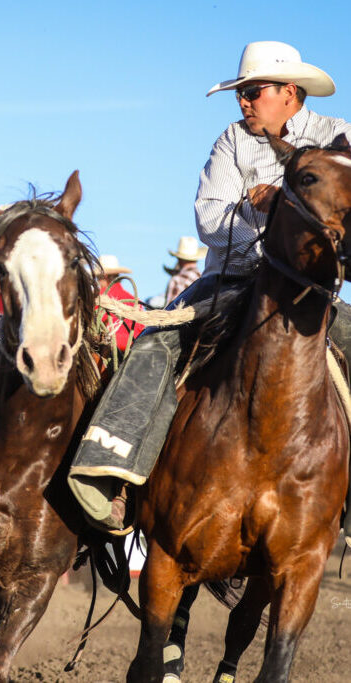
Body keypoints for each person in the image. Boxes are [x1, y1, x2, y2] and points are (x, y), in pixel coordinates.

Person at [69, 41, 351, 546]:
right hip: (235, 281)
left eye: (253, 91)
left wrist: (286, 207)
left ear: (290, 92)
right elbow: (209, 216)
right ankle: (111, 471)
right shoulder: (232, 141)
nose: (243, 102)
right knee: (155, 344)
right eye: (240, 93)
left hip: (310, 289)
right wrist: (259, 219)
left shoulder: (337, 136)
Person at [97, 255, 144, 351]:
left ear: (104, 276)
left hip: (109, 347)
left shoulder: (99, 298)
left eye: (98, 278)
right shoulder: (134, 300)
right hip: (135, 349)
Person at [163, 236, 207, 305]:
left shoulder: (176, 280)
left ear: (179, 259)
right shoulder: (204, 278)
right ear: (196, 259)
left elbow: (169, 311)